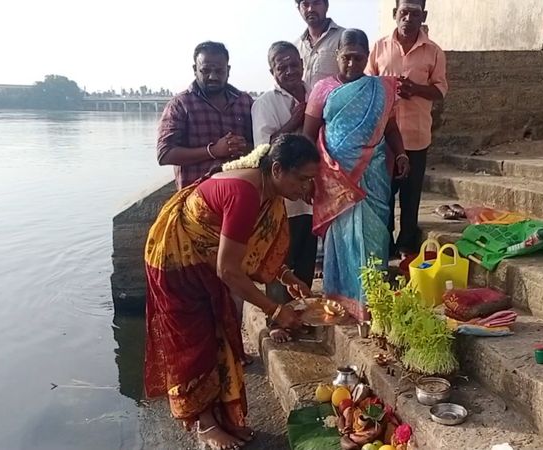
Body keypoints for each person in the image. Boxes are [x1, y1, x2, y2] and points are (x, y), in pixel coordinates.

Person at [144, 134, 319, 450]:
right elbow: (229, 270)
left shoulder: (268, 191)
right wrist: (276, 310)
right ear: (277, 168)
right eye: (302, 179)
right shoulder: (244, 193)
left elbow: (248, 248)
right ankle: (204, 425)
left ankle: (221, 419)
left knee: (219, 334)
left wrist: (286, 274)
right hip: (176, 261)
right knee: (195, 341)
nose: (305, 189)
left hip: (206, 260)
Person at [303, 29, 410, 321]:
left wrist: (400, 154)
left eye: (358, 58)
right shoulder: (322, 89)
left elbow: (390, 129)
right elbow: (308, 135)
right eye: (346, 57)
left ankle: (371, 300)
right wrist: (308, 176)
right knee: (340, 240)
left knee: (373, 237)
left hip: (372, 176)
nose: (352, 64)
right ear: (337, 56)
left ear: (367, 58)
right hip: (335, 180)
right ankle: (340, 298)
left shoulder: (383, 88)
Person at [366, 0, 448, 257]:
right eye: (404, 13)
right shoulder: (379, 47)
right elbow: (367, 83)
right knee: (384, 195)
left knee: (411, 198)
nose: (408, 18)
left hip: (416, 136)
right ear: (394, 14)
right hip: (384, 138)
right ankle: (385, 244)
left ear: (423, 15)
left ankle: (406, 244)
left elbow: (440, 90)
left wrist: (415, 89)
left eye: (414, 13)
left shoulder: (433, 51)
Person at [251, 42, 315, 343]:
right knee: (277, 258)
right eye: (281, 66)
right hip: (283, 200)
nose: (289, 71)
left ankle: (300, 316)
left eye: (293, 64)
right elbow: (266, 149)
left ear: (301, 63)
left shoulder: (316, 92)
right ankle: (275, 320)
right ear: (272, 71)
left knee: (304, 258)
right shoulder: (264, 104)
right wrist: (298, 118)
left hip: (310, 195)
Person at [157, 41, 254, 189]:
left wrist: (241, 147)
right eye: (206, 70)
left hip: (238, 197)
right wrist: (213, 151)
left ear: (228, 70)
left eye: (219, 71)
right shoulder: (180, 105)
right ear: (195, 69)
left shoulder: (245, 102)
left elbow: (261, 144)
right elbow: (164, 154)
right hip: (196, 201)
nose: (213, 77)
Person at [294, 0, 344, 88]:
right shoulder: (296, 47)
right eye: (305, 4)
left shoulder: (344, 38)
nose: (310, 9)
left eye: (316, 3)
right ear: (299, 8)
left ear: (326, 6)